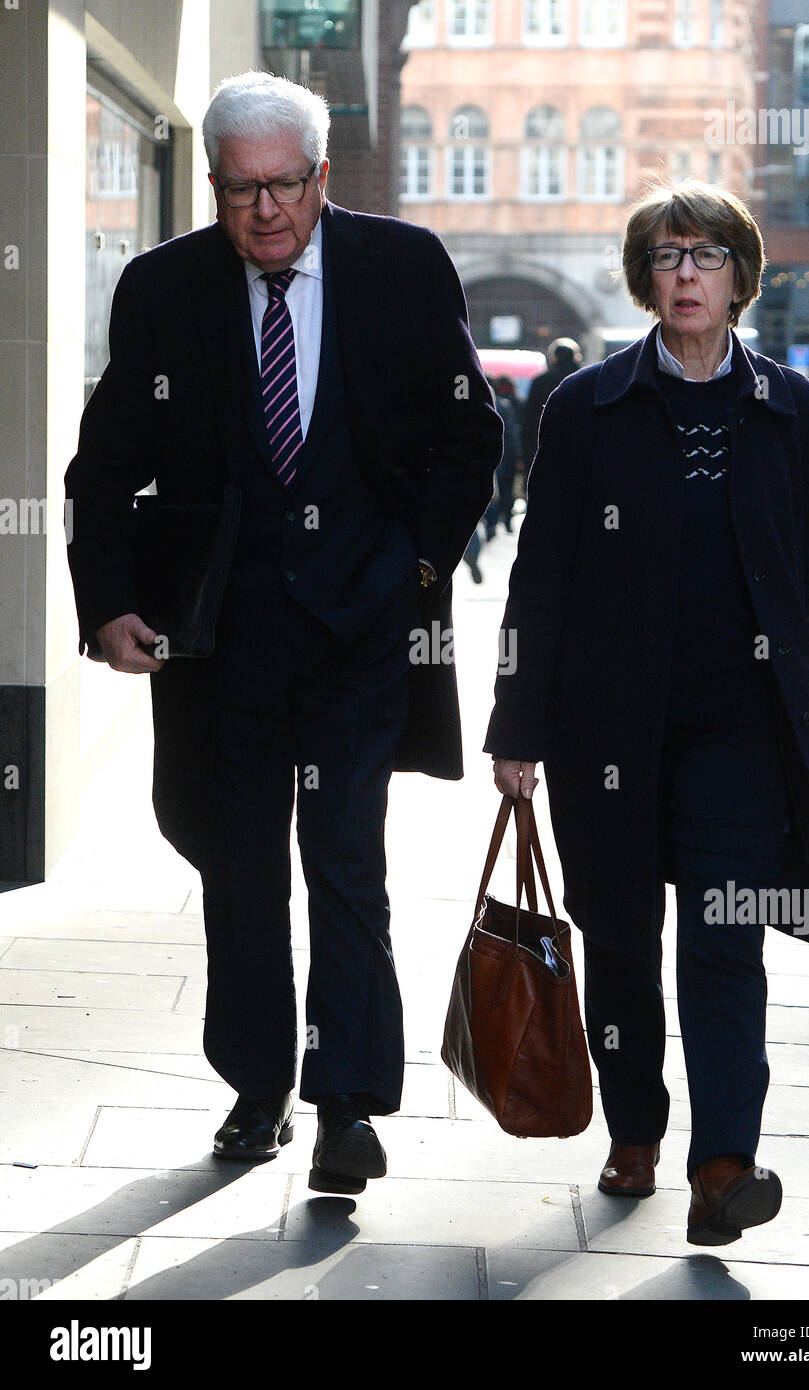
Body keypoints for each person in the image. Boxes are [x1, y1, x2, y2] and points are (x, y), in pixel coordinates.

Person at [66, 71, 502, 1196]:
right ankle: (258, 1082)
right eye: (238, 189)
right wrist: (108, 601)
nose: (264, 212)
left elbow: (469, 437)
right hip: (217, 641)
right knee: (240, 869)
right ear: (213, 182)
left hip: (360, 632)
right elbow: (106, 461)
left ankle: (347, 1104)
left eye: (284, 187)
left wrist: (411, 569)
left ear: (321, 176)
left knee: (347, 865)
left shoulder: (400, 269)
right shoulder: (163, 289)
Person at [485, 180, 809, 1246]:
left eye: (705, 255)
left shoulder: (788, 410)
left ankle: (721, 1167)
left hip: (740, 734)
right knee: (615, 941)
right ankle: (636, 1129)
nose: (685, 273)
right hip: (605, 729)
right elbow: (540, 577)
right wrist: (516, 728)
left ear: (741, 277)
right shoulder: (587, 406)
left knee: (722, 940)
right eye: (665, 255)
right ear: (643, 277)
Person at [522, 338, 582, 466]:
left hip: (546, 442)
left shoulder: (540, 381)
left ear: (553, 357)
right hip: (578, 443)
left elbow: (530, 417)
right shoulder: (586, 380)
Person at [483, 375, 522, 539]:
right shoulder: (504, 405)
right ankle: (496, 524)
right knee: (498, 490)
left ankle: (489, 523)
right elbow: (511, 433)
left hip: (483, 453)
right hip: (502, 454)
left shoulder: (477, 402)